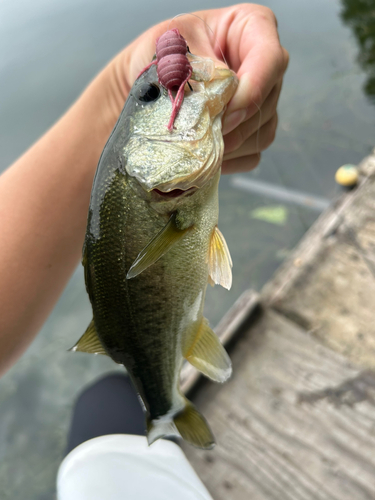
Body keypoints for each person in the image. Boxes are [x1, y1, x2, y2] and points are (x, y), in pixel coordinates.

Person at [0, 4, 288, 498]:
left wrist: (122, 84)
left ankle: (163, 407)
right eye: (154, 94)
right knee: (116, 397)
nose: (167, 91)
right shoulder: (159, 197)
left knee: (104, 397)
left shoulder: (160, 192)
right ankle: (166, 406)